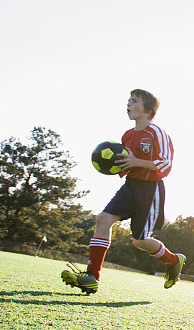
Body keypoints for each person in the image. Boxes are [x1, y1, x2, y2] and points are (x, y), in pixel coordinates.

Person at [61, 89, 184, 293]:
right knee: (103, 219)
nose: (128, 104)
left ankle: (173, 261)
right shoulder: (127, 135)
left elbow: (166, 165)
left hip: (150, 189)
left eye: (134, 101)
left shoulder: (157, 133)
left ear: (148, 110)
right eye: (128, 101)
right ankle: (92, 276)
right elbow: (127, 164)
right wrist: (115, 166)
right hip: (129, 186)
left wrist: (136, 162)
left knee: (140, 241)